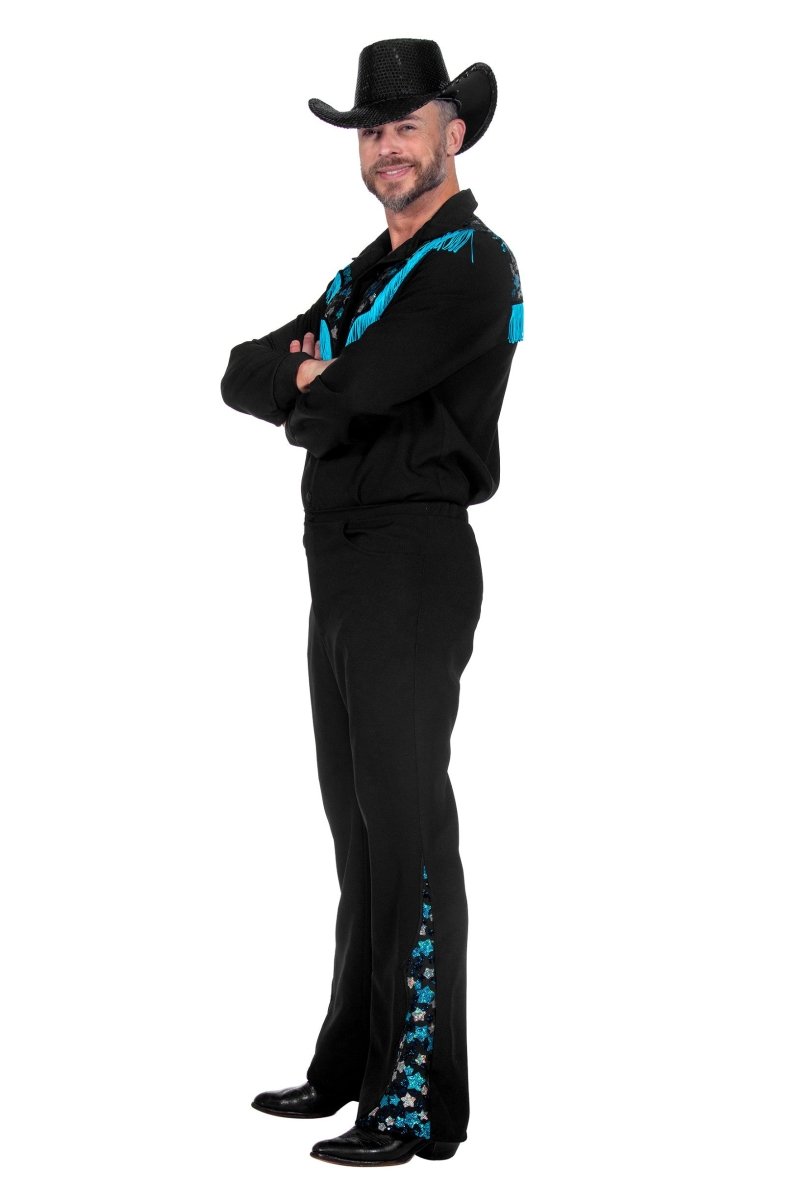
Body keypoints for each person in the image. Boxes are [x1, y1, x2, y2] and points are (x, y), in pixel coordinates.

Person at [220, 37, 523, 1168]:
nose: (386, 147)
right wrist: (313, 381)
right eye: (372, 130)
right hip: (338, 562)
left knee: (407, 831)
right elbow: (241, 368)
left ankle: (415, 1101)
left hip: (411, 559)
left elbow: (359, 387)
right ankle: (350, 1063)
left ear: (454, 132)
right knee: (356, 831)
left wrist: (316, 380)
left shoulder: (469, 264)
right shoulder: (363, 273)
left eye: (406, 126)